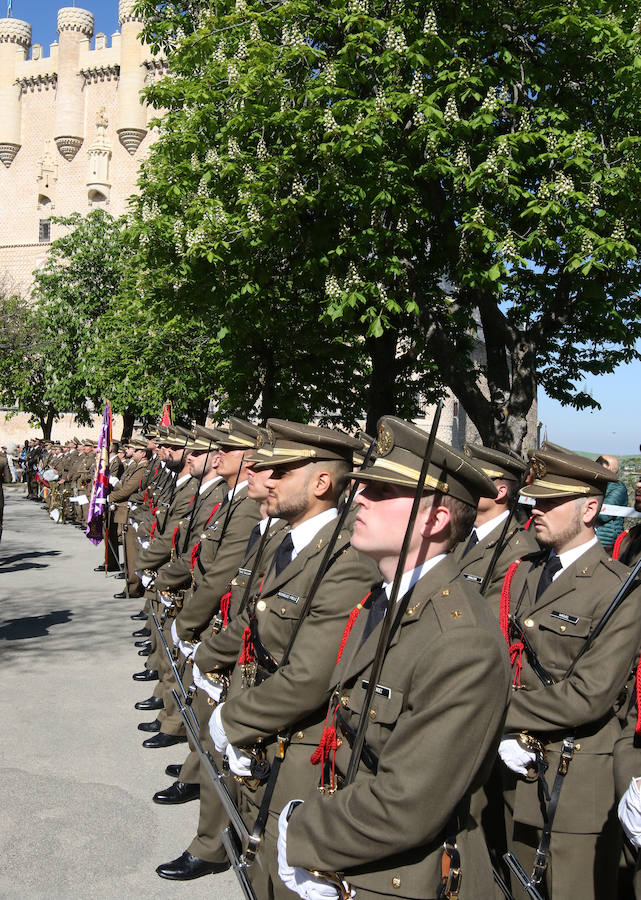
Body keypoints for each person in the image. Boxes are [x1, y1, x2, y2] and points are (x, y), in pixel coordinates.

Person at [278, 417, 511, 900]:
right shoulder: (382, 598)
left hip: (405, 877)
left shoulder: (459, 638)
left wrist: (301, 831)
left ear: (435, 520)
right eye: (364, 485)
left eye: (383, 491)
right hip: (353, 843)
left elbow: (407, 805)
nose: (359, 496)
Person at [498, 445, 641, 899]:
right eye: (535, 500)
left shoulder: (619, 589)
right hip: (509, 778)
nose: (536, 510)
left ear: (590, 509)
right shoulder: (521, 572)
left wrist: (492, 712)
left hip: (573, 782)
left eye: (550, 502)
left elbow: (590, 695)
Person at [595, 454, 628, 553]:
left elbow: (604, 515)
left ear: (608, 468)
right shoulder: (599, 485)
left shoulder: (618, 488)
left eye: (600, 463)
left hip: (606, 543)